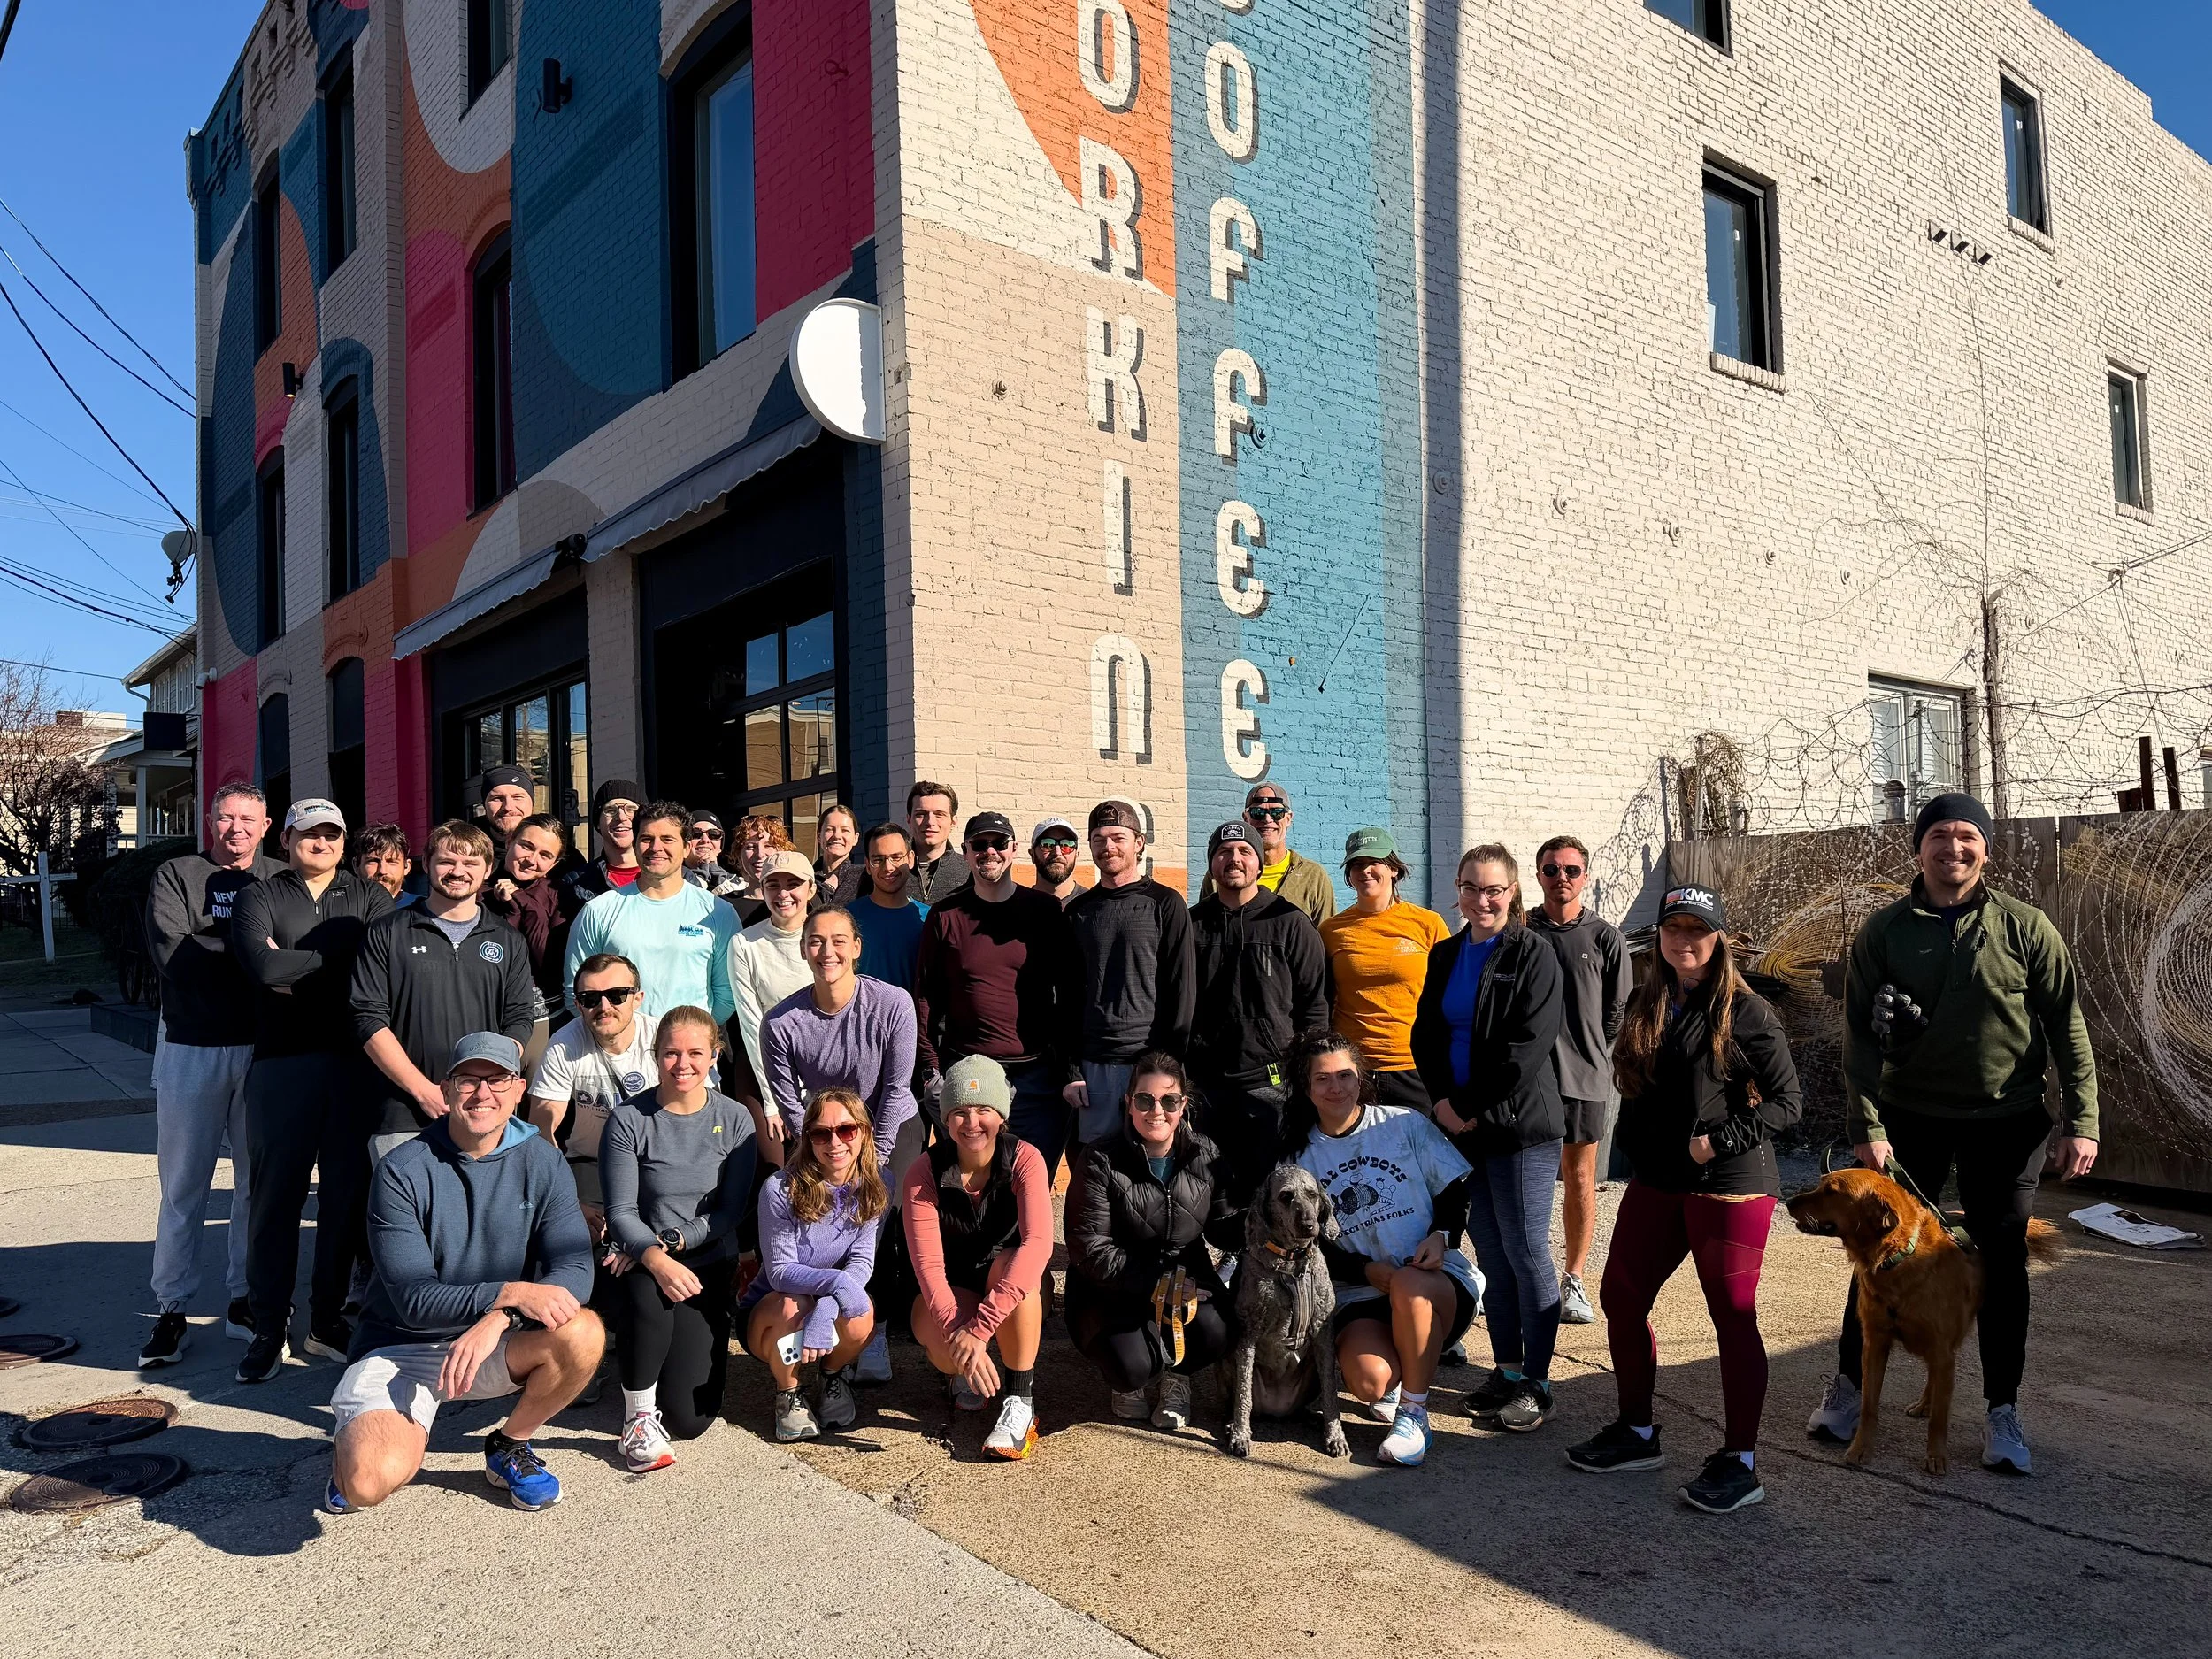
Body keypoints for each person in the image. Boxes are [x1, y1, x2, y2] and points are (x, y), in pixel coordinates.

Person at [1810, 792, 2097, 1477]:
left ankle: (2003, 1409)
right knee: (1879, 1258)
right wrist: (1867, 1126)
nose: (1954, 848)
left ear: (1987, 849)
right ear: (1919, 848)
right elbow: (1857, 1038)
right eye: (1940, 835)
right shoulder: (1884, 932)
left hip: (2007, 1121)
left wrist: (2082, 1119)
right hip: (1910, 1118)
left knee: (2000, 1264)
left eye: (1968, 835)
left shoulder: (2026, 928)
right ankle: (1850, 1388)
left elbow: (2068, 1026)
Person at [1567, 884, 1802, 1516]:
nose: (1684, 939)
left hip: (1729, 1182)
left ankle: (1742, 1461)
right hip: (1660, 1177)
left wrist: (1720, 1139)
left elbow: (1787, 1102)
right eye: (1673, 927)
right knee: (1619, 1295)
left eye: (1697, 928)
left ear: (1719, 937)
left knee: (1731, 1310)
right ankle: (1638, 1431)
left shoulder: (1748, 1012)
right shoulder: (1652, 998)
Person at [323, 1033, 602, 1516]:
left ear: (519, 1090)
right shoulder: (402, 1170)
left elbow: (574, 1268)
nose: (483, 1093)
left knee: (584, 1332)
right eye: (469, 1080)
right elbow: (413, 1298)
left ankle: (510, 1445)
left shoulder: (544, 1161)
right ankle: (351, 1451)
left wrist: (501, 1317)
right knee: (366, 1484)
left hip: (490, 1340)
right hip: (400, 1345)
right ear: (447, 1089)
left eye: (498, 1080)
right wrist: (511, 1294)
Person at [230, 798, 393, 1383]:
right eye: (308, 832)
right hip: (282, 1066)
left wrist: (296, 961)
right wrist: (333, 962)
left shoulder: (371, 896)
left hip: (353, 1065)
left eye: (331, 833)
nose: (320, 842)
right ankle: (269, 1327)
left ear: (344, 842)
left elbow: (378, 970)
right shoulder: (260, 895)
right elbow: (263, 970)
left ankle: (326, 1320)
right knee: (274, 1200)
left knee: (345, 1198)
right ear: (288, 838)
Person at [1412, 844, 1566, 1431]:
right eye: (1472, 887)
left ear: (1513, 891)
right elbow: (1425, 1032)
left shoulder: (1534, 953)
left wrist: (1470, 1105)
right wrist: (1444, 1104)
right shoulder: (1446, 952)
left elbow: (1526, 1047)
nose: (1483, 899)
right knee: (1493, 1257)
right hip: (1460, 1126)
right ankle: (1505, 1369)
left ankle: (1538, 1382)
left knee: (1527, 1253)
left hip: (1518, 1127)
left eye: (1494, 888)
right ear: (1458, 889)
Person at [1282, 1032, 1480, 1469]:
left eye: (1345, 1075)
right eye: (1322, 1079)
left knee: (1409, 1284)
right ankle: (1406, 1372)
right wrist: (1364, 1269)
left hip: (1434, 1281)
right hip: (1362, 1290)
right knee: (1369, 1383)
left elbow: (1454, 1192)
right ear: (1306, 1086)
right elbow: (1304, 1244)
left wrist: (1441, 1236)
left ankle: (1414, 1415)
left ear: (1361, 1077)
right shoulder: (1298, 1157)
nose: (1336, 1088)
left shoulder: (1401, 1123)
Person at [139, 781, 280, 1367]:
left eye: (248, 818)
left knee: (255, 1184)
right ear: (209, 820)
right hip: (192, 1046)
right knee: (184, 1185)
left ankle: (243, 1297)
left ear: (267, 824)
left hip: (264, 1048)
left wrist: (249, 950)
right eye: (226, 817)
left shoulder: (280, 874)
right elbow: (178, 954)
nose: (237, 828)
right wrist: (260, 953)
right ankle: (171, 1308)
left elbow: (295, 943)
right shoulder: (178, 874)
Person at [760, 905, 918, 1382]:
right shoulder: (782, 1022)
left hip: (888, 1128)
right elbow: (789, 1103)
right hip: (825, 1132)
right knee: (817, 1220)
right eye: (816, 941)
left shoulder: (893, 1004)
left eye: (838, 940)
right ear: (804, 949)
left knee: (885, 1225)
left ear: (856, 948)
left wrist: (875, 1159)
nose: (827, 951)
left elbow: (895, 1087)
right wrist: (824, 1149)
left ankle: (876, 1328)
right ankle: (816, 1305)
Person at [600, 1007, 758, 1471]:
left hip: (704, 1261)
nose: (682, 1064)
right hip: (643, 1257)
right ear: (655, 1055)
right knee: (646, 1287)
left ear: (715, 1056)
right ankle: (638, 1419)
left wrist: (670, 1243)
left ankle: (644, 1368)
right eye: (671, 1053)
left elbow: (729, 1212)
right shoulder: (630, 1118)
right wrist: (652, 1254)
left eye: (695, 1053)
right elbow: (621, 1211)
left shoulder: (735, 1119)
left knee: (690, 1421)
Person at [1067, 1054, 1238, 1431]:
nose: (1156, 1111)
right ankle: (1130, 1378)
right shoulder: (1099, 1159)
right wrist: (1157, 1283)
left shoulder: (1206, 1153)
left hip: (1185, 1275)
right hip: (1108, 1286)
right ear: (1129, 1104)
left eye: (1168, 1101)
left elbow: (1226, 1227)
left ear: (1183, 1105)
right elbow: (1090, 1248)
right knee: (1133, 1367)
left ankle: (1178, 1379)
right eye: (1144, 1100)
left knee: (1220, 1326)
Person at [350, 820, 537, 1163]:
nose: (458, 872)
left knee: (482, 1215)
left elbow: (520, 1018)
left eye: (470, 864)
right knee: (405, 1216)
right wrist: (424, 1091)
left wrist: (492, 1084)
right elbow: (368, 1018)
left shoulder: (507, 939)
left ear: (487, 870)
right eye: (447, 861)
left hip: (484, 1111)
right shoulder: (388, 932)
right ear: (427, 863)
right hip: (402, 1114)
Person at [914, 811, 1079, 1175]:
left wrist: (1071, 1070)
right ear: (966, 851)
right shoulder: (945, 915)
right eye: (980, 844)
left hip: (1038, 1078)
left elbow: (1068, 994)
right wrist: (930, 1071)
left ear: (1014, 850)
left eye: (999, 843)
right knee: (974, 1184)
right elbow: (926, 996)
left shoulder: (1045, 912)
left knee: (1033, 1183)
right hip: (970, 1074)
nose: (990, 851)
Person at [904, 1056, 1053, 1460]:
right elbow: (929, 1267)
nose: (972, 1122)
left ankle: (1020, 1400)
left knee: (1012, 1262)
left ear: (1001, 1115)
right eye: (959, 1112)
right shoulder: (924, 1171)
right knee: (942, 1346)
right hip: (953, 1292)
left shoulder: (1025, 1159)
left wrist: (981, 1330)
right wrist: (960, 1333)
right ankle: (963, 1372)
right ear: (946, 1120)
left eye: (984, 1109)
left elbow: (1039, 1243)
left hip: (1011, 1288)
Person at [1187, 820, 1331, 1207]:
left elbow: (1314, 1003)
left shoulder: (1290, 922)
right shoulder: (1191, 924)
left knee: (1271, 1186)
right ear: (1212, 864)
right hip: (1206, 1081)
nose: (1233, 859)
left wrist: (1307, 1069)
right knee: (1211, 1189)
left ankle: (1268, 1261)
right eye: (1223, 852)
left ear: (1258, 862)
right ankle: (1230, 1257)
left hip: (1271, 1080)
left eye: (1244, 851)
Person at [1525, 833, 1632, 1325]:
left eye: (1571, 870)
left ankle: (1572, 1278)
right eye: (1551, 870)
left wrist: (1589, 1053)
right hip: (1526, 1083)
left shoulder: (1606, 937)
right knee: (1522, 1183)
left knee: (1580, 1180)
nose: (1561, 878)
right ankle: (1525, 1278)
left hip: (1585, 1082)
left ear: (1584, 877)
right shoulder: (1520, 929)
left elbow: (1618, 1013)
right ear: (1539, 875)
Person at [741, 1087, 886, 1441]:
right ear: (807, 1138)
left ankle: (832, 1376)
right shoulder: (779, 1189)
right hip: (771, 1309)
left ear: (864, 1133)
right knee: (794, 1305)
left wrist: (827, 1307)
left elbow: (862, 1261)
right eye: (821, 1132)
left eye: (846, 1130)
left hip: (823, 1304)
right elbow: (780, 1272)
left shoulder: (876, 1186)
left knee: (862, 1312)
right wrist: (834, 1287)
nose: (834, 1142)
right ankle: (788, 1392)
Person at [1063, 800, 1194, 1153]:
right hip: (1095, 1066)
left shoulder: (1166, 903)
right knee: (1095, 1165)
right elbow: (1068, 996)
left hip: (1150, 1063)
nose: (1108, 846)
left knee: (1152, 1163)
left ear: (1139, 842)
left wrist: (1168, 1067)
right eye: (1098, 839)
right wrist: (1072, 1069)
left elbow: (1182, 990)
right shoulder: (1078, 912)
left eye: (1118, 837)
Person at [561, 801, 741, 1028]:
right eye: (646, 839)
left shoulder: (717, 912)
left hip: (688, 1054)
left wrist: (694, 1037)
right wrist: (613, 1039)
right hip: (617, 1054)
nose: (656, 848)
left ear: (686, 848)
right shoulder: (598, 911)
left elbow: (728, 993)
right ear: (635, 845)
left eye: (667, 839)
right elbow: (576, 992)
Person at [527, 953, 657, 1241]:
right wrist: (568, 1199)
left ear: (638, 998)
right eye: (590, 998)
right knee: (568, 1235)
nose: (604, 1007)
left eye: (617, 995)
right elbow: (542, 1122)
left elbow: (700, 1113)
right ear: (577, 1005)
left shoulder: (662, 1039)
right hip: (591, 1161)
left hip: (655, 1162)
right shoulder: (564, 1043)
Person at [1319, 828, 1449, 1110]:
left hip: (1416, 1068)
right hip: (1352, 1070)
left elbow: (1451, 994)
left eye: (1373, 862)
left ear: (1393, 869)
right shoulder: (1331, 930)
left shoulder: (1427, 923)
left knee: (1419, 1152)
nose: (1364, 871)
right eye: (1356, 864)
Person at [728, 849, 820, 1107]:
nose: (783, 894)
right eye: (773, 885)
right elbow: (752, 1023)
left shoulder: (828, 936)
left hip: (823, 1071)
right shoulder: (744, 944)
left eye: (793, 884)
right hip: (766, 1069)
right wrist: (773, 1099)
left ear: (811, 888)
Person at [483, 812, 572, 1062]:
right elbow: (494, 958)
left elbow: (548, 963)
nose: (531, 860)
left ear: (554, 864)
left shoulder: (557, 895)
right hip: (489, 1016)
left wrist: (523, 904)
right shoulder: (480, 889)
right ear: (510, 840)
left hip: (546, 1018)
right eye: (526, 846)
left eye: (545, 855)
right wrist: (511, 912)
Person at [1198, 783, 1336, 926]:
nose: (1268, 820)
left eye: (1277, 813)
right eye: (1258, 813)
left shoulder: (1313, 876)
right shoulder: (1222, 873)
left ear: (1288, 819)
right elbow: (1203, 926)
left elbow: (1325, 936)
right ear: (1246, 819)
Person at [851, 822, 929, 993]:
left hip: (913, 1018)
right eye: (878, 859)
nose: (888, 867)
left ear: (910, 859)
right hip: (861, 1017)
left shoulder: (928, 919)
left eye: (896, 857)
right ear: (867, 865)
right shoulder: (848, 918)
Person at [559, 780, 644, 909]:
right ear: (598, 822)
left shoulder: (677, 877)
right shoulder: (574, 883)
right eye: (610, 810)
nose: (621, 817)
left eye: (631, 809)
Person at [905, 780, 971, 904]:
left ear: (953, 822)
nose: (930, 822)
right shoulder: (890, 871)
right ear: (909, 819)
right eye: (921, 814)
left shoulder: (969, 871)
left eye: (939, 814)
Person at [729, 813, 794, 926]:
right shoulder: (724, 906)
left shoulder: (795, 903)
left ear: (783, 851)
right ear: (739, 855)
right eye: (750, 847)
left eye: (769, 846)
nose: (760, 854)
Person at [475, 764, 537, 856]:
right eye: (497, 798)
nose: (508, 807)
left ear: (532, 803)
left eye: (517, 797)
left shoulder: (551, 847)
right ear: (484, 804)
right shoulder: (461, 848)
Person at [814, 803, 867, 910]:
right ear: (819, 836)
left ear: (855, 838)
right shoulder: (806, 878)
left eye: (845, 830)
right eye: (830, 829)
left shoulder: (865, 877)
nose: (837, 836)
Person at [351, 824, 417, 908]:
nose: (382, 871)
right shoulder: (339, 910)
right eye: (373, 861)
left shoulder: (424, 913)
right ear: (356, 865)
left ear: (407, 867)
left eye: (391, 861)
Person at [682, 810, 743, 898]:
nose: (705, 840)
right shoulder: (671, 878)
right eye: (695, 833)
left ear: (720, 847)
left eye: (714, 834)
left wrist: (719, 877)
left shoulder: (735, 882)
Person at [1028, 816, 1083, 904]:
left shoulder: (1092, 906)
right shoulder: (1018, 909)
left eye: (1066, 844)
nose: (1057, 852)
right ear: (1032, 854)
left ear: (1076, 854)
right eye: (1047, 844)